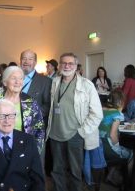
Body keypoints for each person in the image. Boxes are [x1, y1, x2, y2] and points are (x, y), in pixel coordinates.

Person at [46, 52, 103, 191]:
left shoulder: (86, 85)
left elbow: (97, 114)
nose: (67, 66)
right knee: (57, 170)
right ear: (59, 66)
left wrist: (81, 132)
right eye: (63, 63)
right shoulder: (54, 82)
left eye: (70, 63)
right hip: (54, 134)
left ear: (76, 66)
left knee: (75, 171)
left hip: (75, 135)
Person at [0, 99, 45, 191]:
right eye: (2, 116)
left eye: (11, 116)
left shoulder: (29, 140)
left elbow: (38, 180)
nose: (7, 121)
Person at [0, 66, 45, 154]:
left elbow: (40, 129)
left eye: (20, 78)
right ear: (5, 82)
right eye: (13, 78)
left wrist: (34, 151)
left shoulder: (30, 102)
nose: (18, 82)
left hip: (24, 149)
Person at [20, 49, 51, 127]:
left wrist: (32, 115)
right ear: (20, 61)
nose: (26, 62)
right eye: (24, 58)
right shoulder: (13, 78)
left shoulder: (45, 81)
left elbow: (47, 105)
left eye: (30, 59)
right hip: (13, 125)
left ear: (35, 62)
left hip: (34, 126)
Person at [99, 89, 133, 161]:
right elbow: (112, 134)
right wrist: (117, 147)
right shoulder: (117, 114)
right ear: (120, 102)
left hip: (97, 147)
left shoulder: (100, 110)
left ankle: (111, 170)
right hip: (108, 148)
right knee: (131, 153)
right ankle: (126, 172)